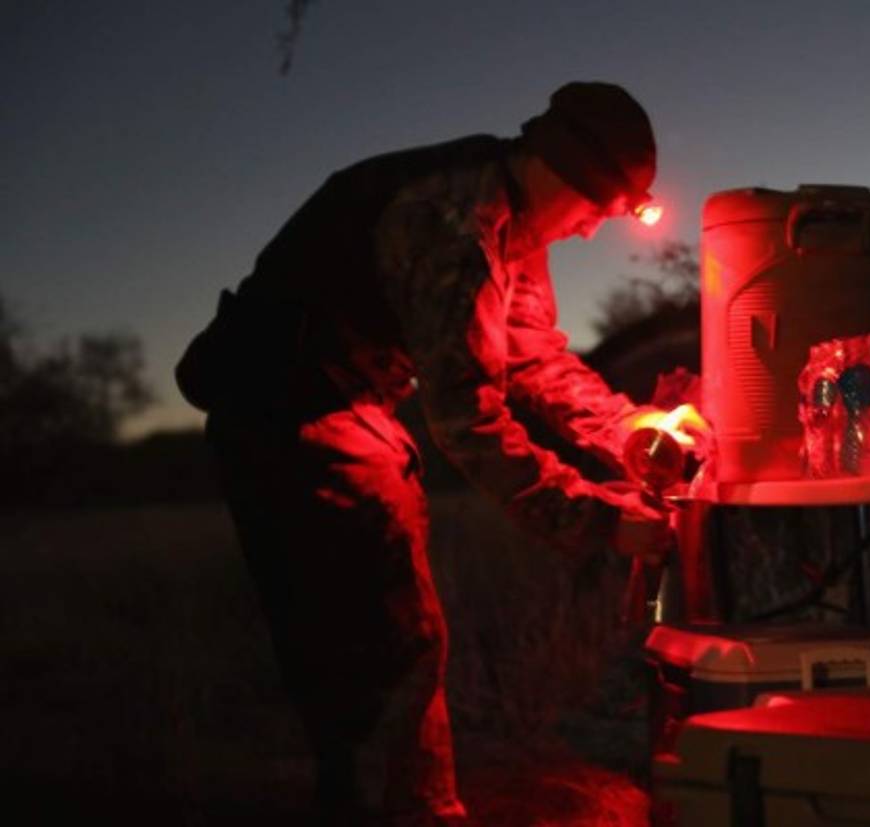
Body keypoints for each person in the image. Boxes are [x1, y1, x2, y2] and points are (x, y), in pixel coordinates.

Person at [175, 81, 686, 826]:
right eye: (594, 212)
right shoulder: (455, 224)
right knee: (390, 637)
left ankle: (393, 800)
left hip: (345, 405)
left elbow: (534, 358)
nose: (586, 234)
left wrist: (633, 429)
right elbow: (468, 417)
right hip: (290, 412)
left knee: (384, 637)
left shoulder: (512, 219)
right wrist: (601, 519)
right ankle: (409, 811)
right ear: (565, 172)